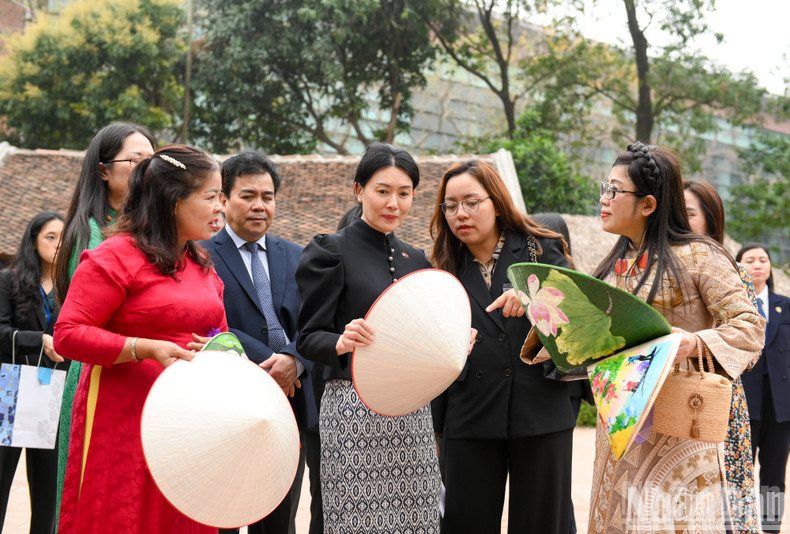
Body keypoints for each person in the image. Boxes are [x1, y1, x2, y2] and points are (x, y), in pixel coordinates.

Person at [589, 142, 765, 533]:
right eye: (604, 187)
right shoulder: (614, 263)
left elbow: (750, 327)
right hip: (620, 430)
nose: (604, 198)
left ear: (648, 204)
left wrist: (695, 343)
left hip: (679, 434)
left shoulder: (701, 256)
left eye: (614, 190)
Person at [53, 145, 226, 533]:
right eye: (211, 196)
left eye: (222, 197)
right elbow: (68, 335)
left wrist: (222, 351)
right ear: (173, 200)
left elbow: (220, 333)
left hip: (188, 423)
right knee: (123, 515)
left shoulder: (200, 263)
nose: (220, 207)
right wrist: (142, 348)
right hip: (124, 418)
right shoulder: (114, 256)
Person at [295, 142, 442, 533]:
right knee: (355, 522)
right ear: (358, 190)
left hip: (410, 413)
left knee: (419, 520)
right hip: (352, 412)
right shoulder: (329, 251)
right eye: (382, 191)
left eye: (404, 193)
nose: (393, 202)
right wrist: (340, 342)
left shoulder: (417, 260)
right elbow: (308, 337)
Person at [429, 160, 576, 534]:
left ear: (496, 202)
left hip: (540, 409)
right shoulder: (440, 269)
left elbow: (578, 317)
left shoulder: (540, 250)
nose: (460, 213)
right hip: (470, 414)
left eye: (471, 202)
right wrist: (436, 426)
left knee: (543, 523)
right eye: (450, 205)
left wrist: (533, 302)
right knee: (465, 522)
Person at [202, 152, 317, 534]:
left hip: (293, 399)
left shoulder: (298, 256)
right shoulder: (201, 255)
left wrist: (295, 360)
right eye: (247, 195)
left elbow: (317, 321)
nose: (259, 205)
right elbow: (211, 324)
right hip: (230, 402)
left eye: (267, 197)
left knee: (279, 517)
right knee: (225, 514)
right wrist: (273, 362)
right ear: (223, 199)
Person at [53, 122, 155, 523]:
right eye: (136, 161)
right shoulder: (90, 234)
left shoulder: (156, 233)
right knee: (97, 498)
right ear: (103, 171)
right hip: (97, 375)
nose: (147, 169)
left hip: (150, 375)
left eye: (153, 160)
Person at [683, 179, 761, 533]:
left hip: (718, 401)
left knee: (726, 502)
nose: (679, 221)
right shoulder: (659, 268)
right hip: (669, 399)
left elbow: (750, 347)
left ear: (710, 222)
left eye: (688, 214)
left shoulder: (731, 271)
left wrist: (699, 346)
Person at [0, 211, 66, 534]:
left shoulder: (72, 288)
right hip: (11, 389)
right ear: (34, 240)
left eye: (62, 238)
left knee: (48, 489)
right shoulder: (9, 280)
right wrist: (38, 339)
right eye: (50, 237)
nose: (57, 245)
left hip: (54, 391)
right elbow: (0, 333)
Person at [738, 243, 790, 533]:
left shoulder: (786, 304)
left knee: (773, 476)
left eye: (763, 260)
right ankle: (741, 527)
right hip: (743, 402)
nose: (757, 265)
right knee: (740, 474)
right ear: (738, 267)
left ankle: (771, 529)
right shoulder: (732, 306)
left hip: (780, 405)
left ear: (770, 267)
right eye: (749, 260)